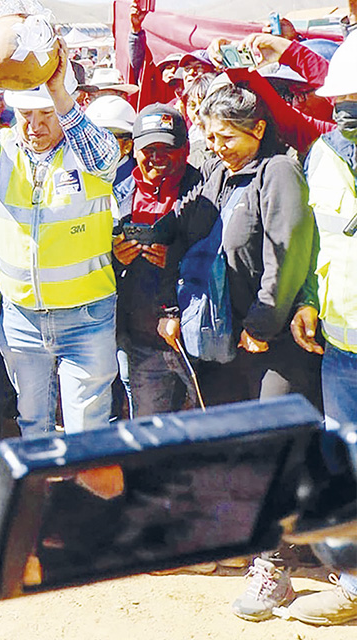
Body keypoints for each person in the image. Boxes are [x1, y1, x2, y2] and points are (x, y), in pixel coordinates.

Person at [156, 84, 321, 623]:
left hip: (269, 343)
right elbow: (190, 229)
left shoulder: (278, 172)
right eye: (209, 133)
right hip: (223, 339)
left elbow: (288, 249)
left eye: (225, 134)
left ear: (255, 129)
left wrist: (263, 323)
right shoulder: (218, 172)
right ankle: (257, 542)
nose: (214, 142)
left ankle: (274, 570)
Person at [0, 41, 123, 436]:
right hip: (22, 318)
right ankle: (41, 496)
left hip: (86, 317)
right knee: (33, 422)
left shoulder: (90, 150)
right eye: (26, 114)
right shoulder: (2, 149)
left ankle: (85, 498)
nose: (35, 126)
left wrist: (60, 92)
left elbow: (104, 158)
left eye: (47, 114)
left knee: (86, 427)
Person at [284, 40, 357, 625]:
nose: (347, 112)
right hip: (343, 345)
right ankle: (354, 587)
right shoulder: (323, 155)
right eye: (342, 101)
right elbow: (318, 240)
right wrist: (307, 299)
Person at [110, 104, 200, 418]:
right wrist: (115, 257)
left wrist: (176, 259)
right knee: (150, 438)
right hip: (140, 343)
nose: (157, 157)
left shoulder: (206, 190)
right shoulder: (116, 192)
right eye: (149, 148)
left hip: (192, 343)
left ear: (186, 149)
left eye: (167, 148)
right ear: (134, 150)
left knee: (212, 427)